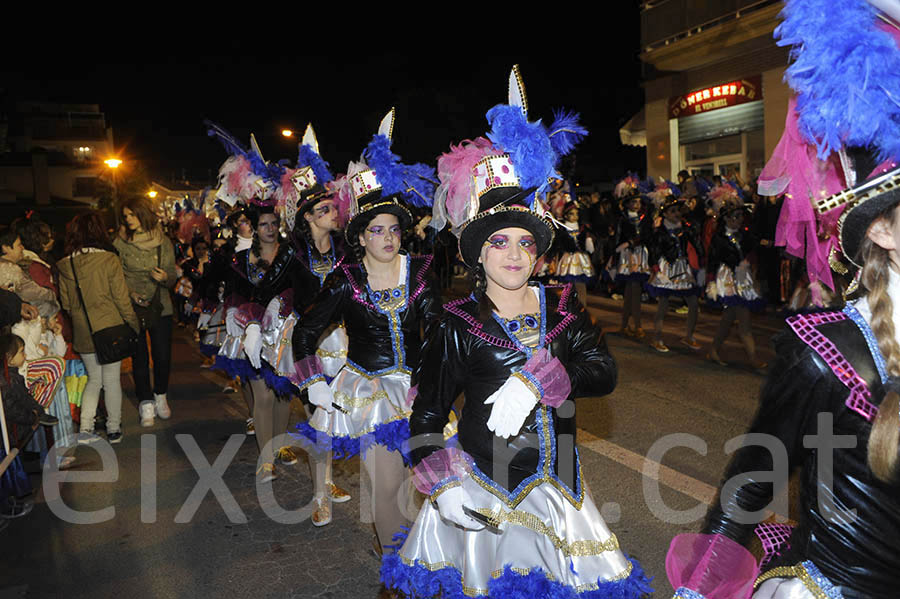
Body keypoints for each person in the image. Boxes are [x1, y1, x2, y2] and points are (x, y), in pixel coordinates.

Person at [382, 66, 652, 599]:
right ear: (480, 253)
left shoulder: (564, 306)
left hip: (563, 494)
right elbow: (429, 412)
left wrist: (540, 381)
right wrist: (440, 483)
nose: (514, 254)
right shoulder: (457, 322)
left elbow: (603, 372)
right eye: (500, 242)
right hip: (486, 491)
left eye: (524, 243)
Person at [291, 108, 439, 540]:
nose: (388, 238)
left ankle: (395, 556)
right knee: (387, 483)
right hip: (369, 392)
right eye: (377, 230)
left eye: (394, 229)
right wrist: (310, 381)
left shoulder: (420, 273)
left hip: (415, 389)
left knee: (417, 489)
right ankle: (394, 569)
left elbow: (439, 327)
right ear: (359, 237)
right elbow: (305, 331)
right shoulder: (345, 281)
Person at [57, 213, 140, 444]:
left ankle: (85, 428)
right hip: (110, 326)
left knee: (93, 380)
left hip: (84, 330)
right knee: (112, 380)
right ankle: (114, 429)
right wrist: (132, 323)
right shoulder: (109, 259)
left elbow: (65, 303)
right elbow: (121, 298)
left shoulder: (65, 264)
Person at [114, 197, 177, 427]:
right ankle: (145, 402)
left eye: (131, 214)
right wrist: (130, 293)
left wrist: (165, 278)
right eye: (126, 216)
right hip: (133, 307)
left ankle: (160, 394)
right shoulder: (121, 243)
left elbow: (172, 274)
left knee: (162, 355)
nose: (128, 219)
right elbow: (116, 276)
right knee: (138, 356)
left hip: (160, 304)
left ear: (142, 214)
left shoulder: (163, 242)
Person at [704, 199, 766, 369]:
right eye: (736, 216)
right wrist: (710, 283)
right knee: (744, 320)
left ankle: (713, 350)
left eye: (740, 216)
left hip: (744, 278)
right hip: (729, 280)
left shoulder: (744, 234)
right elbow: (712, 261)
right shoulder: (719, 238)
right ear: (726, 218)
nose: (739, 220)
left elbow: (753, 250)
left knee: (728, 319)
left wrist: (750, 261)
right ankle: (753, 357)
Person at [647, 197, 704, 352]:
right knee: (663, 305)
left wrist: (701, 265)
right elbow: (654, 252)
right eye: (672, 211)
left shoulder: (685, 228)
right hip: (667, 268)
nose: (677, 214)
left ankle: (689, 336)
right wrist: (655, 270)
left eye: (678, 210)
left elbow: (697, 243)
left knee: (693, 302)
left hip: (683, 267)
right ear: (664, 214)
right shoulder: (660, 232)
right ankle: (657, 338)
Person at [613, 193, 652, 338]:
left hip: (640, 255)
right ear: (628, 204)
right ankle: (636, 325)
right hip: (627, 256)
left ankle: (627, 325)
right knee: (631, 292)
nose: (637, 205)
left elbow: (648, 235)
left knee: (633, 292)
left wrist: (635, 241)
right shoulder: (623, 219)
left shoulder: (645, 218)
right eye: (633, 202)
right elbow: (618, 237)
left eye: (639, 202)